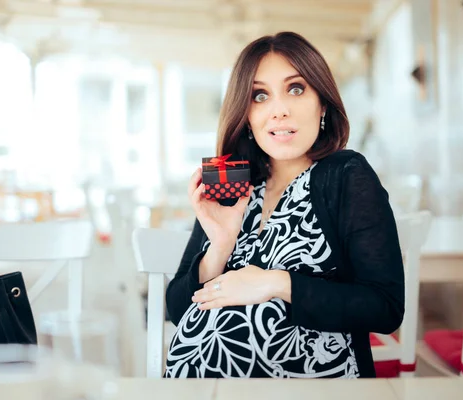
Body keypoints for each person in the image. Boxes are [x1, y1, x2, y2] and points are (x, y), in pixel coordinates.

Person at [164, 32, 404, 378]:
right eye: (260, 96)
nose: (279, 110)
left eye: (295, 89)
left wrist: (277, 283)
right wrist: (220, 247)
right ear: (246, 115)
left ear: (322, 102)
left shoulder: (346, 176)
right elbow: (176, 309)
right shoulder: (233, 183)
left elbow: (385, 308)